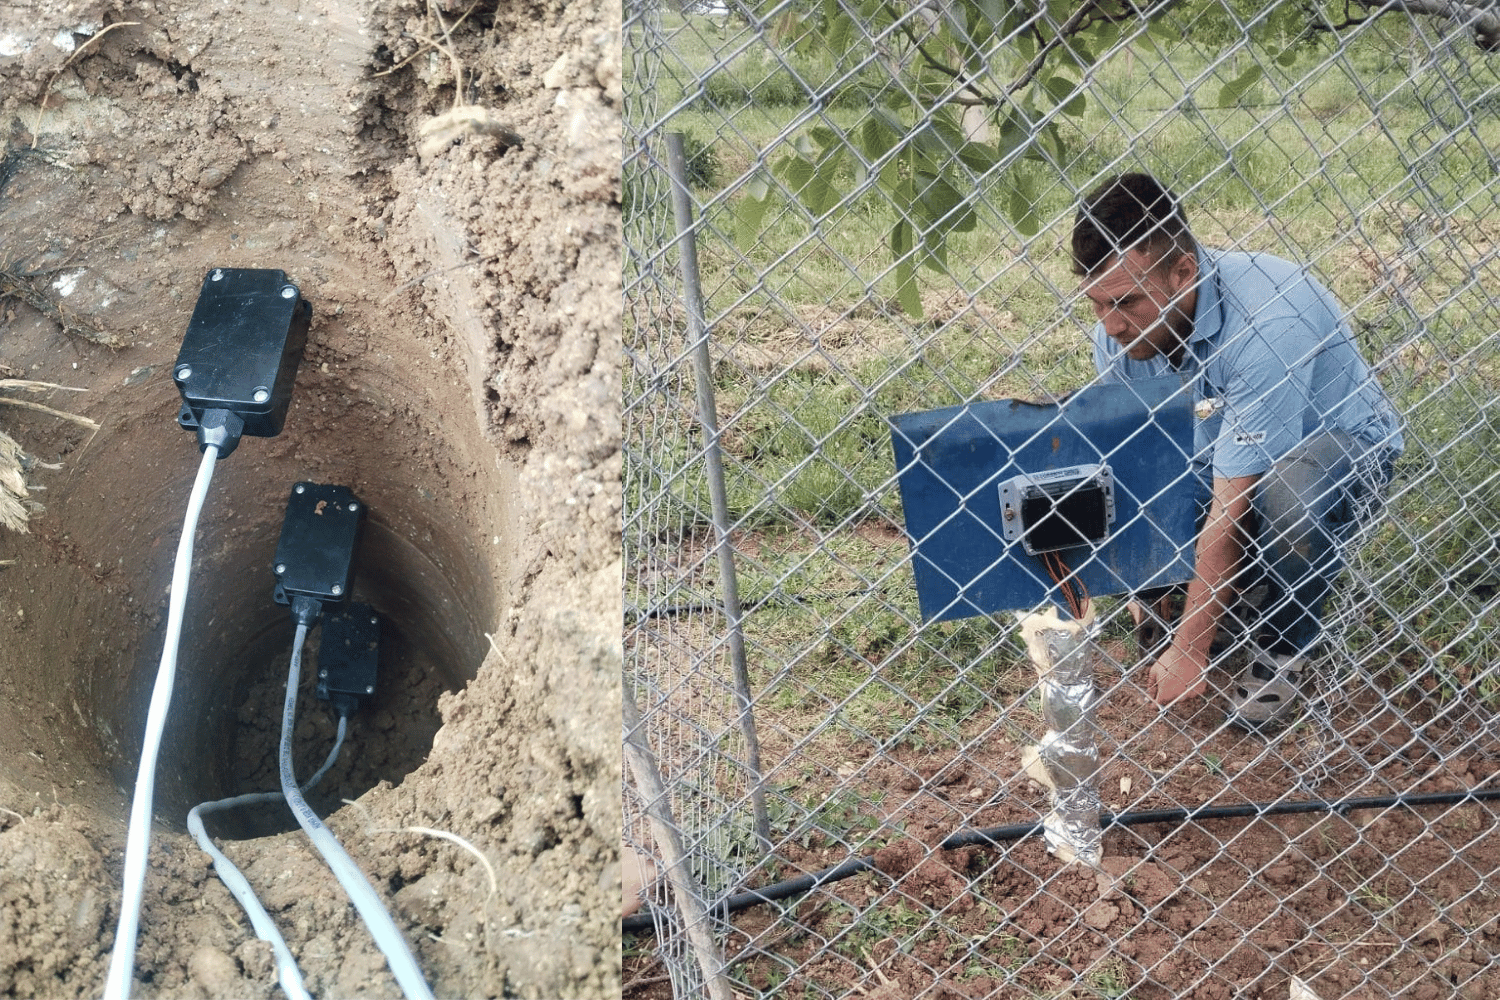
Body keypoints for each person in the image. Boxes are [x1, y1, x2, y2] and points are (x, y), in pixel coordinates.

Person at [1072, 172, 1403, 728]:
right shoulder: (1118, 332)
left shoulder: (1270, 318)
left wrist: (1190, 651)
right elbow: (1133, 458)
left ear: (1184, 271)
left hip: (1332, 452)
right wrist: (1143, 581)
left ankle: (1281, 648)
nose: (1110, 326)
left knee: (1286, 498)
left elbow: (1232, 507)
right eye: (1097, 304)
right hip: (1215, 442)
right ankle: (1232, 594)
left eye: (1126, 302)